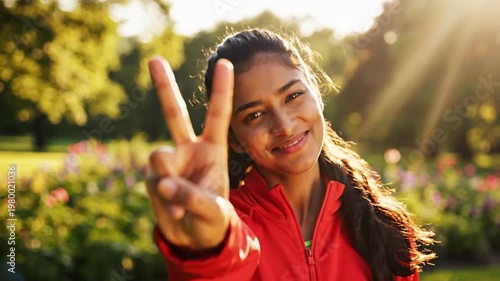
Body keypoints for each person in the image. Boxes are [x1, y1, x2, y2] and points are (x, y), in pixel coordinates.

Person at [146, 28, 435, 281]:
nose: (284, 126)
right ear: (233, 139)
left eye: (293, 96)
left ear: (316, 92)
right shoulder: (227, 233)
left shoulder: (384, 227)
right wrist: (210, 253)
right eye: (255, 115)